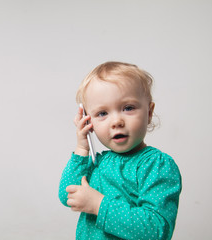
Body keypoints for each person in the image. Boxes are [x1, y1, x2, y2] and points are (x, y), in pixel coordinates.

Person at [58, 61, 182, 240]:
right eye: (102, 113)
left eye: (128, 108)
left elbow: (156, 231)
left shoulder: (156, 165)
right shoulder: (96, 163)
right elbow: (67, 195)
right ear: (88, 122)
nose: (116, 121)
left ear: (149, 113)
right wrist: (82, 148)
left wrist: (99, 205)